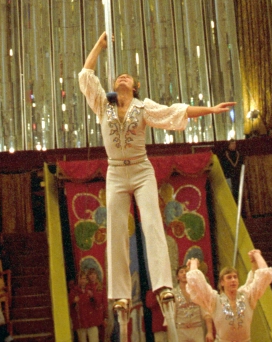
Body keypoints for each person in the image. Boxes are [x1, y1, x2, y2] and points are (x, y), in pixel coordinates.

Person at [79, 32, 234, 318]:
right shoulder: (103, 103)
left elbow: (176, 112)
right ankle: (121, 295)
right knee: (116, 229)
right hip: (115, 172)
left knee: (151, 223)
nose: (123, 78)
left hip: (141, 170)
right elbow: (86, 75)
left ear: (135, 87)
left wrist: (211, 110)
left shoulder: (143, 107)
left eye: (128, 77)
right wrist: (99, 46)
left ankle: (163, 285)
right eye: (119, 76)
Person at [186, 251, 272, 342]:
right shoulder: (214, 300)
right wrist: (193, 263)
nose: (233, 280)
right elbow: (195, 281)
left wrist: (257, 255)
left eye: (235, 277)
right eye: (229, 277)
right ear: (222, 282)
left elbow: (265, 275)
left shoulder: (248, 296)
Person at [173, 266, 211, 342]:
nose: (184, 273)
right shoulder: (173, 293)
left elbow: (206, 313)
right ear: (177, 277)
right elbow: (172, 316)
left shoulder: (197, 291)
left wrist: (210, 332)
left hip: (197, 329)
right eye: (181, 272)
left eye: (186, 271)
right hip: (180, 330)